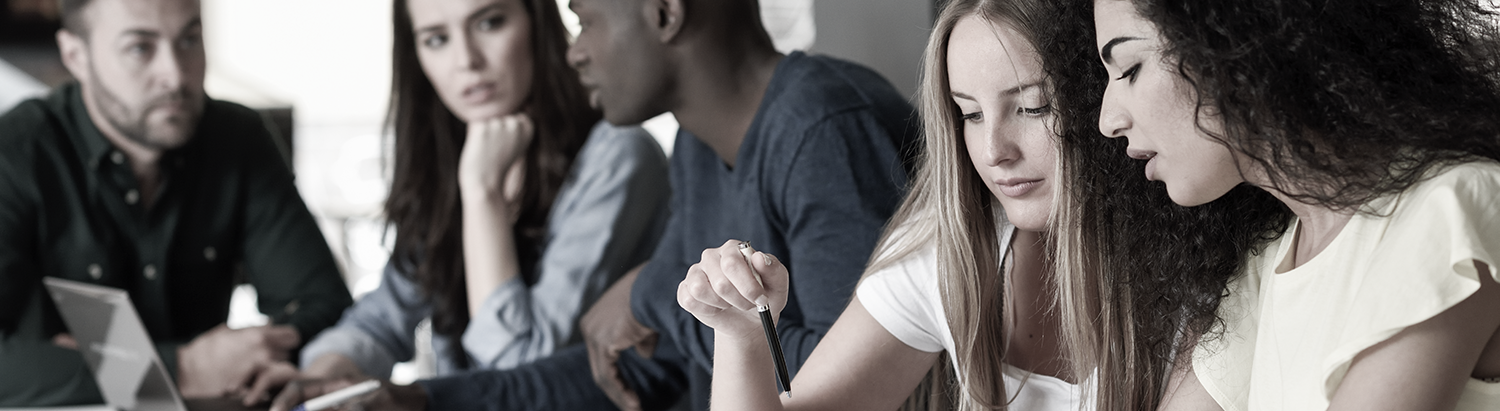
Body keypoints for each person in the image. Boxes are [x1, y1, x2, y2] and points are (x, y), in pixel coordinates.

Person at [268, 0, 920, 409]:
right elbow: (637, 361)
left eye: (584, 19)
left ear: (664, 14)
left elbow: (871, 381)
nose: (574, 50)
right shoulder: (696, 147)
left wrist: (655, 296)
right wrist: (422, 399)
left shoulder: (824, 128)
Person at [251, 0, 671, 406]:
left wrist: (482, 194)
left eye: (489, 23)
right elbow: (382, 319)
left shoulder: (618, 155)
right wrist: (320, 380)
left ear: (536, 21)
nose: (466, 60)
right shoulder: (451, 155)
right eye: (436, 39)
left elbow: (516, 372)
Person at [1088, 0, 1500, 409]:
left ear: (1237, 39)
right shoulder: (1272, 259)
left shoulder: (1451, 208)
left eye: (1129, 69)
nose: (1108, 120)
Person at [676, 0, 1088, 409]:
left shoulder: (1152, 273)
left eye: (1035, 107)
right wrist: (743, 337)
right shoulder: (947, 248)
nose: (994, 151)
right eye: (971, 114)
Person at [0, 0, 353, 406]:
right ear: (76, 56)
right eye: (139, 48)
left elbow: (324, 306)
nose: (175, 74)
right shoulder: (16, 153)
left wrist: (252, 356)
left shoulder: (238, 139)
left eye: (189, 39)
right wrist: (184, 368)